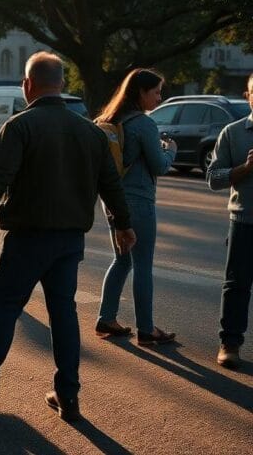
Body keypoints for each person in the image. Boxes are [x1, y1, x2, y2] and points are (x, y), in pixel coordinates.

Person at [0, 52, 135, 422]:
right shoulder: (91, 132)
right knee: (64, 314)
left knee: (4, 311)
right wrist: (123, 225)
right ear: (62, 83)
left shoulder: (20, 126)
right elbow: (111, 184)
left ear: (28, 85)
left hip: (27, 238)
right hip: (69, 241)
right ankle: (68, 396)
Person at [94, 69, 178, 345]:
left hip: (112, 200)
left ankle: (107, 318)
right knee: (142, 265)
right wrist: (171, 149)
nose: (159, 97)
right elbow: (160, 165)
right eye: (155, 92)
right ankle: (147, 329)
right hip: (139, 202)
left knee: (122, 259)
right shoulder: (143, 124)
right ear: (140, 92)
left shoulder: (108, 120)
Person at [207, 73, 253, 369]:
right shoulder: (233, 132)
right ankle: (230, 343)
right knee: (236, 285)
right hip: (244, 219)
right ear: (248, 95)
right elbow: (213, 178)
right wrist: (245, 168)